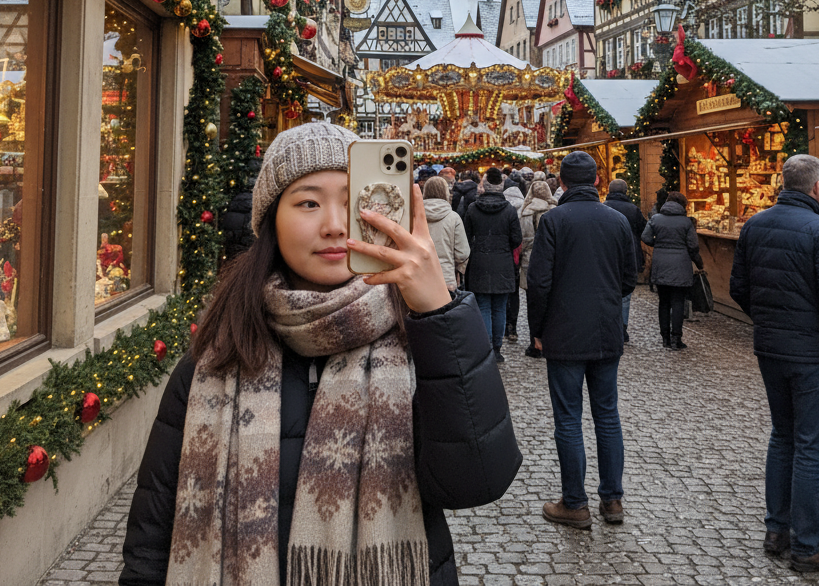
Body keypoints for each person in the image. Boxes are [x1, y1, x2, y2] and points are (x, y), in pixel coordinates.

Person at [120, 122, 521, 586]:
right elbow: (150, 544)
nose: (333, 225)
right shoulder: (214, 360)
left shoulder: (420, 342)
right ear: (271, 218)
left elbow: (479, 481)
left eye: (353, 203)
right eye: (308, 202)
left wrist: (439, 312)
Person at [730, 153, 819, 573]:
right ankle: (806, 545)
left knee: (783, 436)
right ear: (817, 186)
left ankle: (776, 529)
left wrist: (767, 320)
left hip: (771, 348)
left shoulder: (756, 225)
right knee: (810, 446)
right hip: (813, 354)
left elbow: (739, 288)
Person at [526, 150, 639, 529]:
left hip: (564, 332)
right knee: (607, 415)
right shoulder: (617, 221)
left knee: (569, 418)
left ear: (562, 181)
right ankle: (612, 500)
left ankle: (575, 502)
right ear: (596, 181)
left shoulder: (554, 221)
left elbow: (538, 283)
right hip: (606, 330)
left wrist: (537, 330)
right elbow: (629, 278)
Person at [463, 167, 522, 362]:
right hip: (503, 262)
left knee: (484, 307)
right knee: (499, 308)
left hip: (479, 261)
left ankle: (487, 348)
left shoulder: (473, 208)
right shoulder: (509, 210)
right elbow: (516, 238)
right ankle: (496, 348)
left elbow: (466, 237)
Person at [641, 191, 701, 351]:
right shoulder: (686, 222)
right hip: (681, 265)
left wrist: (659, 245)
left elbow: (646, 237)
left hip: (661, 264)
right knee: (678, 302)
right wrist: (699, 263)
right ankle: (676, 339)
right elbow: (693, 246)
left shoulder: (656, 219)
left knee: (664, 302)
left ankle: (665, 338)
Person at [603, 178, 646, 343]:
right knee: (625, 294)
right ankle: (622, 328)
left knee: (607, 289)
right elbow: (643, 229)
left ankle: (609, 326)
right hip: (630, 253)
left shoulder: (603, 207)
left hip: (608, 254)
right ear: (626, 192)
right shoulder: (633, 209)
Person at [519, 180, 556, 358]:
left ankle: (535, 342)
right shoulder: (555, 210)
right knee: (553, 301)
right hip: (552, 260)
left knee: (533, 304)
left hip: (530, 260)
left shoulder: (526, 212)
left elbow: (524, 239)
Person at [423, 174, 470, 293]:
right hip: (446, 278)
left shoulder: (414, 217)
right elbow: (462, 253)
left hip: (418, 278)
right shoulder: (453, 217)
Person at [503, 180, 526, 341]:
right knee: (514, 292)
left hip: (500, 256)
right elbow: (519, 237)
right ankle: (513, 326)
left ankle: (502, 327)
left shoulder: (503, 208)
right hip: (516, 255)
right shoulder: (524, 207)